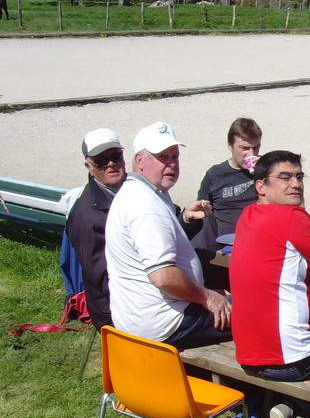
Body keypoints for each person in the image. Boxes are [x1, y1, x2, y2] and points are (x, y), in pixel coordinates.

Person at [230, 150, 310, 418]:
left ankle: (289, 410)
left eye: (299, 176)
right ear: (261, 185)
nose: (296, 184)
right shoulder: (292, 218)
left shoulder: (247, 216)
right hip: (298, 359)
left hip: (250, 357)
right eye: (285, 177)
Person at [105, 121, 230, 350]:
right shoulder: (145, 206)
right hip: (165, 325)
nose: (171, 164)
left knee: (234, 299)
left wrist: (184, 221)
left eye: (175, 156)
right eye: (162, 157)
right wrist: (207, 297)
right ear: (139, 161)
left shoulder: (143, 191)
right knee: (259, 314)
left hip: (143, 318)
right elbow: (162, 276)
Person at [65, 128, 127, 331]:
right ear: (89, 166)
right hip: (115, 310)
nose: (111, 164)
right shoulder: (85, 218)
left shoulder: (134, 187)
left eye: (115, 156)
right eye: (101, 160)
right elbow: (103, 278)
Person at [195, 117, 263, 242]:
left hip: (260, 238)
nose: (251, 154)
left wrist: (266, 171)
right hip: (227, 241)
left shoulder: (268, 168)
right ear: (230, 146)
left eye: (256, 147)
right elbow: (200, 212)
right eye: (244, 148)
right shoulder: (215, 175)